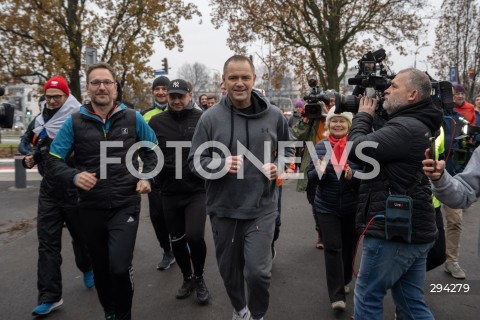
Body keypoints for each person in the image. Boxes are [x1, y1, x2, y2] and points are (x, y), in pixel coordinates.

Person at [47, 62, 158, 320]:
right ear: (88, 88)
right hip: (89, 207)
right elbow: (53, 160)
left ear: (115, 88)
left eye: (107, 82)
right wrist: (73, 175)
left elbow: (153, 152)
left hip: (125, 204)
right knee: (100, 269)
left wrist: (147, 177)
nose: (102, 87)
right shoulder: (74, 122)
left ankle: (124, 314)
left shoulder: (133, 118)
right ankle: (109, 311)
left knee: (119, 267)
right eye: (96, 82)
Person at [188, 55, 293, 320]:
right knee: (230, 272)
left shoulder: (274, 115)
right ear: (223, 81)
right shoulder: (210, 118)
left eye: (245, 77)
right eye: (233, 77)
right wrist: (220, 164)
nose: (239, 83)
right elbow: (194, 162)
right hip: (224, 209)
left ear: (254, 80)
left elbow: (290, 150)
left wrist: (279, 166)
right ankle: (240, 309)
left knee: (258, 273)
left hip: (262, 207)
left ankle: (257, 314)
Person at [347, 68, 442, 320]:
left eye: (394, 86)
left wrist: (363, 116)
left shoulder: (406, 127)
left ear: (412, 94)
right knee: (410, 302)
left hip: (394, 230)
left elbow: (356, 150)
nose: (386, 90)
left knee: (368, 295)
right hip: (413, 228)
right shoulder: (416, 123)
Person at [23, 76, 93, 316]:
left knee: (81, 237)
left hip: (75, 188)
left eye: (57, 97)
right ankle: (50, 296)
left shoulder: (79, 117)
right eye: (49, 96)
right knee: (47, 244)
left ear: (66, 96)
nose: (52, 101)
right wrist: (31, 156)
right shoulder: (41, 120)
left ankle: (87, 266)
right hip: (49, 190)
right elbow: (34, 145)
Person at [148, 78, 210, 305]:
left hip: (196, 189)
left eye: (180, 96)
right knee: (177, 240)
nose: (175, 100)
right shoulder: (156, 121)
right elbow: (146, 149)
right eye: (172, 96)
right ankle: (188, 278)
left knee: (194, 236)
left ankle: (201, 277)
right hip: (169, 191)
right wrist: (152, 172)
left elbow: (214, 147)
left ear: (190, 95)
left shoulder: (202, 118)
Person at [307, 107, 360, 312]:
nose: (338, 124)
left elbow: (366, 174)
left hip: (351, 207)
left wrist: (352, 175)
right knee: (333, 248)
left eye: (342, 121)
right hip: (326, 207)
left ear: (349, 125)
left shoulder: (356, 146)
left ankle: (346, 278)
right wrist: (318, 173)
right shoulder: (320, 146)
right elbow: (310, 177)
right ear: (328, 125)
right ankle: (336, 295)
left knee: (349, 247)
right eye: (334, 121)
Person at [141, 75, 175, 271]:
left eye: (164, 89)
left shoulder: (178, 110)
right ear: (152, 92)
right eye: (157, 89)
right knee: (157, 215)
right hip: (154, 173)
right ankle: (167, 251)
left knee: (178, 212)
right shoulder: (144, 115)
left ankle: (182, 244)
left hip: (177, 172)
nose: (161, 92)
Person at [440, 84, 473, 279]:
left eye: (461, 93)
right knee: (424, 224)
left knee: (455, 221)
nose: (458, 96)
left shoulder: (460, 119)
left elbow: (467, 147)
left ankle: (451, 260)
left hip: (452, 179)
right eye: (455, 94)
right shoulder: (429, 117)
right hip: (427, 180)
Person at [291, 101, 330, 249]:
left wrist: (329, 117)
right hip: (312, 165)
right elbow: (295, 135)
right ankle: (321, 233)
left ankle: (330, 233)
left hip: (334, 164)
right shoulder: (311, 121)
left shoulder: (337, 119)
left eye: (329, 103)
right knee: (315, 202)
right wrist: (305, 121)